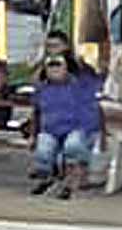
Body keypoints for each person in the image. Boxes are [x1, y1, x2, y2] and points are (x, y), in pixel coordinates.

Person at [29, 49, 103, 199]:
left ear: (66, 68)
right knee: (43, 149)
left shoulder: (81, 85)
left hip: (76, 129)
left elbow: (96, 77)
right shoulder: (42, 89)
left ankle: (71, 184)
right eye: (51, 66)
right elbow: (35, 113)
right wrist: (32, 135)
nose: (54, 69)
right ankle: (47, 179)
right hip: (50, 131)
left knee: (73, 145)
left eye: (58, 65)